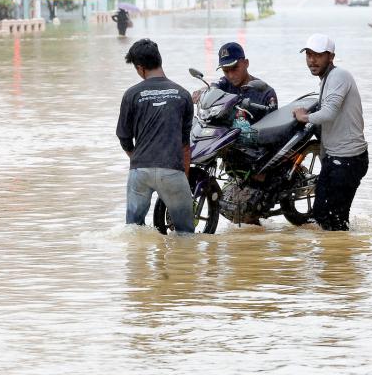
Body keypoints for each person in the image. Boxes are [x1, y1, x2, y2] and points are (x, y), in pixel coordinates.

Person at [116, 39, 195, 234]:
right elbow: (185, 144)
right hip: (172, 170)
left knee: (134, 231)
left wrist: (138, 159)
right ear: (160, 60)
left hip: (140, 172)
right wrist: (182, 177)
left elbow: (124, 137)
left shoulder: (131, 95)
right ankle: (184, 263)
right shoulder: (183, 94)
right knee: (185, 233)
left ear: (140, 68)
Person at [292, 34, 368, 231]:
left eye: (318, 55)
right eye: (308, 55)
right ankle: (340, 257)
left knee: (330, 218)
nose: (312, 60)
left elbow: (329, 112)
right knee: (325, 217)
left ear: (331, 57)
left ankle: (339, 258)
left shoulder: (339, 76)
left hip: (348, 159)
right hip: (336, 158)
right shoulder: (327, 79)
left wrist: (304, 117)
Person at [192, 42, 278, 122]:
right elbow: (213, 87)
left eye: (234, 68)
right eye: (226, 71)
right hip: (223, 136)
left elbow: (271, 129)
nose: (231, 75)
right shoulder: (224, 84)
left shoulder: (266, 93)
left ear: (246, 63)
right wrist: (202, 92)